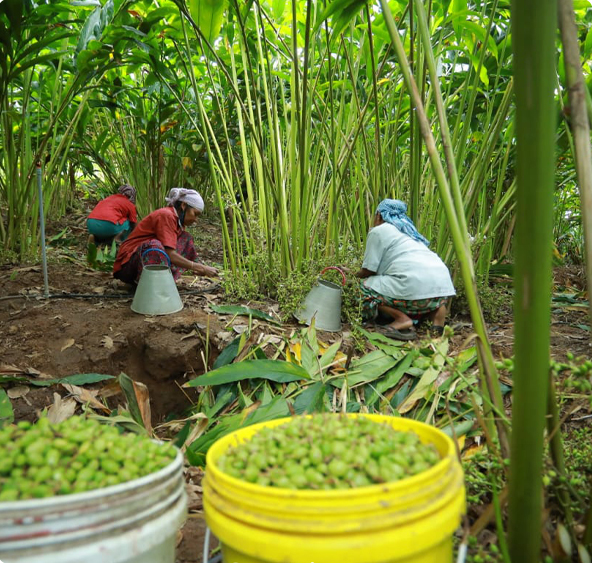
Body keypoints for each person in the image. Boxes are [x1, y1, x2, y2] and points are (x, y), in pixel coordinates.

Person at [356, 199, 455, 340]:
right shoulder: (409, 231)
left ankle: (402, 319)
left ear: (379, 215)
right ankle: (437, 324)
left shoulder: (378, 231)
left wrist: (353, 275)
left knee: (363, 288)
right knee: (434, 294)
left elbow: (368, 271)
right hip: (442, 286)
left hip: (413, 285)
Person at [113, 187, 218, 285]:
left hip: (140, 260)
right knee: (154, 246)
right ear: (184, 206)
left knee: (185, 238)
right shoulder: (166, 215)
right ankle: (151, 286)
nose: (196, 219)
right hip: (126, 266)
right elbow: (170, 253)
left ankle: (164, 279)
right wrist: (201, 268)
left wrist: (199, 268)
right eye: (195, 214)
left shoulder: (177, 222)